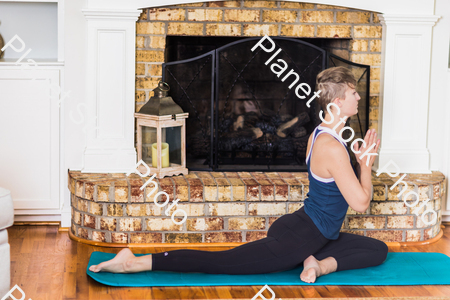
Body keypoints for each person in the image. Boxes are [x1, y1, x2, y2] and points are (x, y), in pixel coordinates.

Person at [89, 66, 388, 283]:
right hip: (299, 236)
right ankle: (136, 262)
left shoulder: (321, 134)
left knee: (377, 249)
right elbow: (361, 203)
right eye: (353, 93)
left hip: (301, 227)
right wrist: (364, 165)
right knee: (224, 262)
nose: (358, 97)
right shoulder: (332, 147)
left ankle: (316, 264)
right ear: (337, 103)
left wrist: (360, 162)